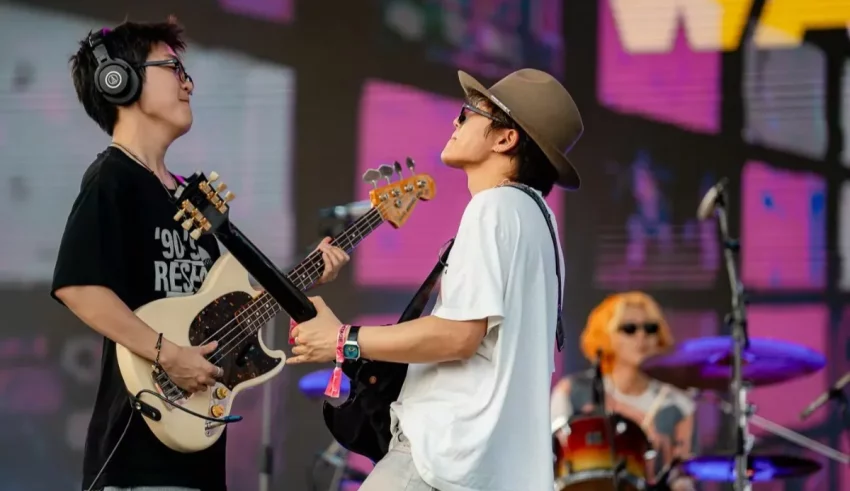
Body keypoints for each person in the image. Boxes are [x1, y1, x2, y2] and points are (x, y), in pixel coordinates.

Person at [51, 20, 350, 491]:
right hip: (136, 449)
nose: (188, 82)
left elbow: (225, 307)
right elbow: (79, 286)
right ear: (120, 80)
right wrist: (169, 355)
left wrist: (302, 276)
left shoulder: (193, 198)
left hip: (199, 445)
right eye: (173, 68)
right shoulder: (113, 178)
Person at [286, 68, 583, 491]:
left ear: (505, 139)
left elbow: (459, 336)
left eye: (467, 115)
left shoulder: (493, 208)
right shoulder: (540, 223)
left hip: (442, 458)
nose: (454, 123)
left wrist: (344, 338)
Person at [550, 291, 697, 491]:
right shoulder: (572, 390)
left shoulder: (677, 402)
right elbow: (549, 459)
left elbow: (683, 472)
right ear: (605, 335)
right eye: (629, 328)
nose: (641, 336)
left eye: (651, 328)